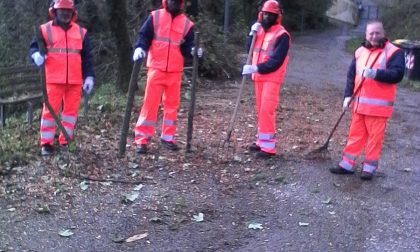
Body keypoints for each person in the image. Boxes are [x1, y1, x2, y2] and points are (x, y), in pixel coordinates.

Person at [330, 21, 405, 180]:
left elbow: (397, 74)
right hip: (359, 106)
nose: (374, 36)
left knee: (374, 139)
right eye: (371, 33)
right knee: (354, 136)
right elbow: (351, 76)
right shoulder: (359, 52)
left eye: (377, 33)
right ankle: (347, 164)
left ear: (383, 33)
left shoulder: (393, 52)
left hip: (378, 109)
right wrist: (347, 96)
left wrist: (375, 74)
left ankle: (368, 169)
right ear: (366, 35)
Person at [132, 0, 202, 154]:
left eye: (177, 2)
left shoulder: (186, 24)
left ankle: (168, 137)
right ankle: (142, 139)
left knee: (172, 105)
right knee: (150, 104)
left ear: (181, 4)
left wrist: (194, 51)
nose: (174, 4)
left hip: (175, 70)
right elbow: (144, 36)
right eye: (172, 1)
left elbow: (187, 46)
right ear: (166, 1)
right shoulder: (155, 17)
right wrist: (140, 48)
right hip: (156, 68)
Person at [29, 0, 95, 156]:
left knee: (70, 113)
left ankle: (66, 139)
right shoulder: (44, 30)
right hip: (53, 79)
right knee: (49, 113)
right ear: (55, 12)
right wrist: (35, 55)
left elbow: (87, 58)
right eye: (62, 11)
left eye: (68, 11)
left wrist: (89, 76)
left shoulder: (81, 32)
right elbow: (33, 48)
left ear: (73, 13)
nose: (65, 14)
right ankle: (46, 143)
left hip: (75, 79)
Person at [242, 0, 290, 159]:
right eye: (265, 14)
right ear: (261, 14)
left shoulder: (282, 35)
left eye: (271, 14)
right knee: (260, 110)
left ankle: (268, 149)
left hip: (272, 78)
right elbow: (249, 48)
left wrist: (257, 68)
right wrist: (251, 33)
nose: (267, 17)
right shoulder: (259, 31)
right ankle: (261, 141)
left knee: (266, 111)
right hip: (259, 78)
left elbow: (276, 61)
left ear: (277, 16)